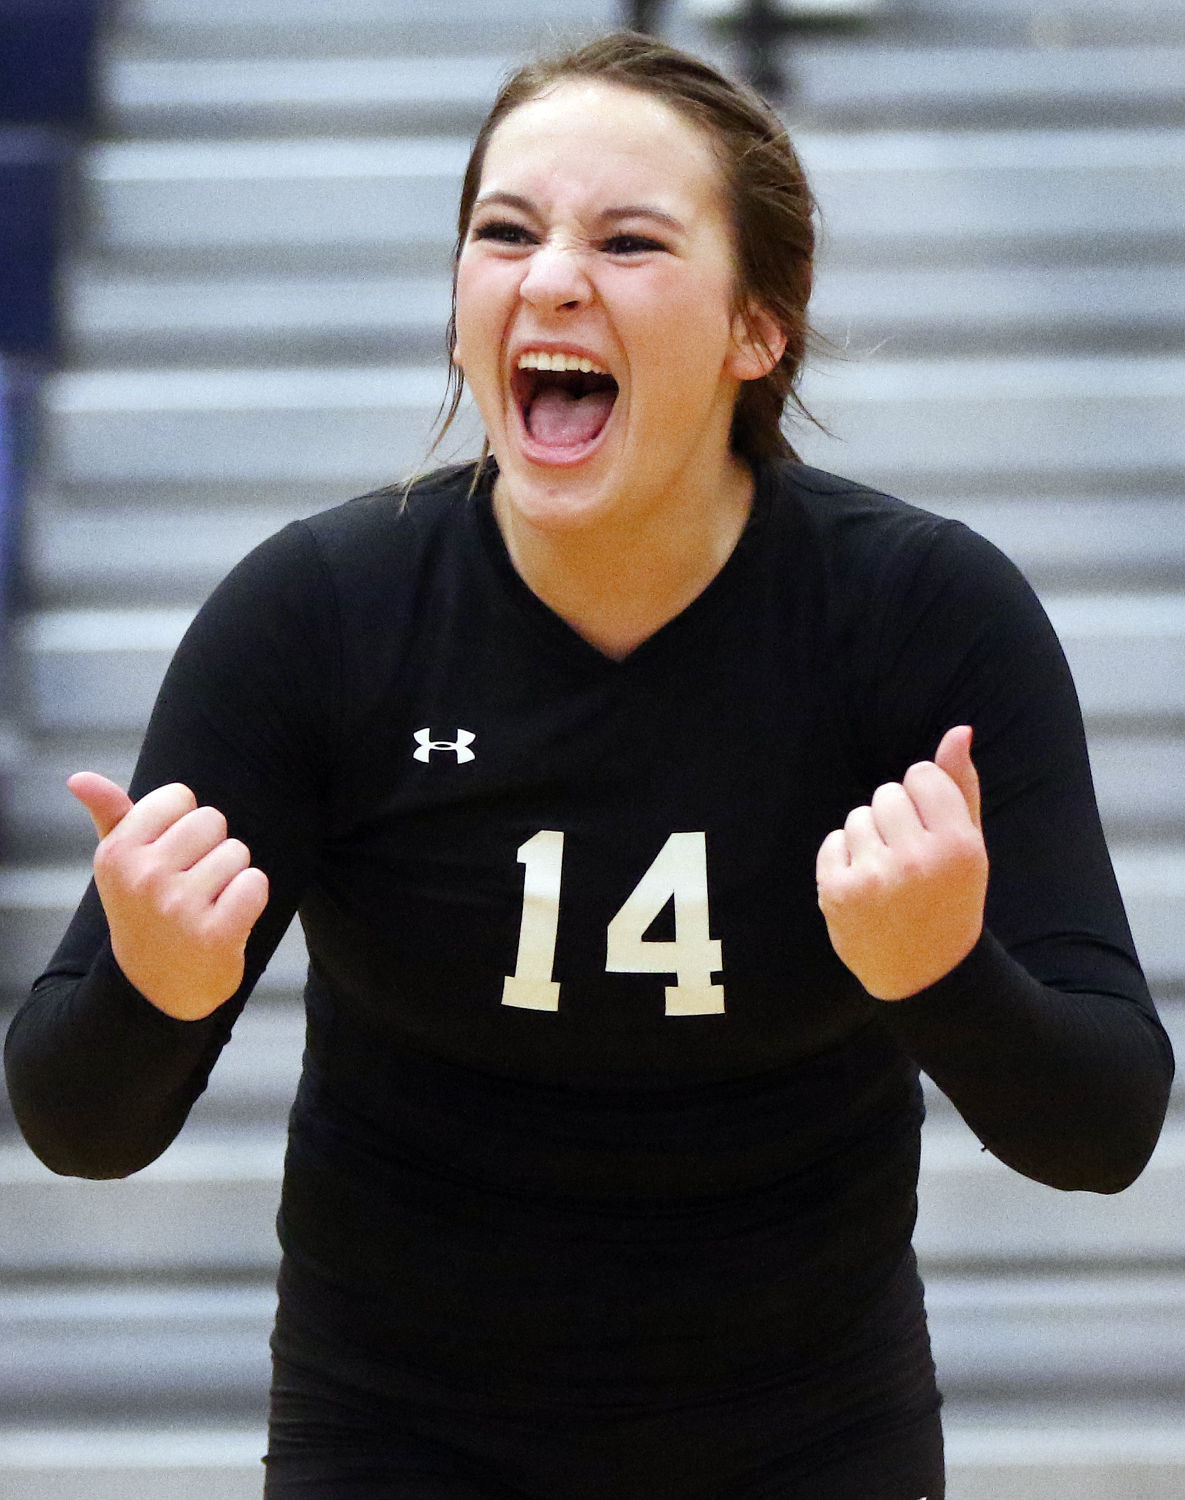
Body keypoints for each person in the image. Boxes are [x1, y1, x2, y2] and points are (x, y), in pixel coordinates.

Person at [4, 30, 1174, 1500]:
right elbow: (73, 1118)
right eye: (505, 233)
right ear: (457, 307)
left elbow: (1105, 1125)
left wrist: (941, 968)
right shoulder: (317, 615)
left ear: (759, 327)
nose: (549, 277)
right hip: (400, 1437)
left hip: (807, 1436)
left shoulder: (920, 619)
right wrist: (155, 993)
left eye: (627, 241)